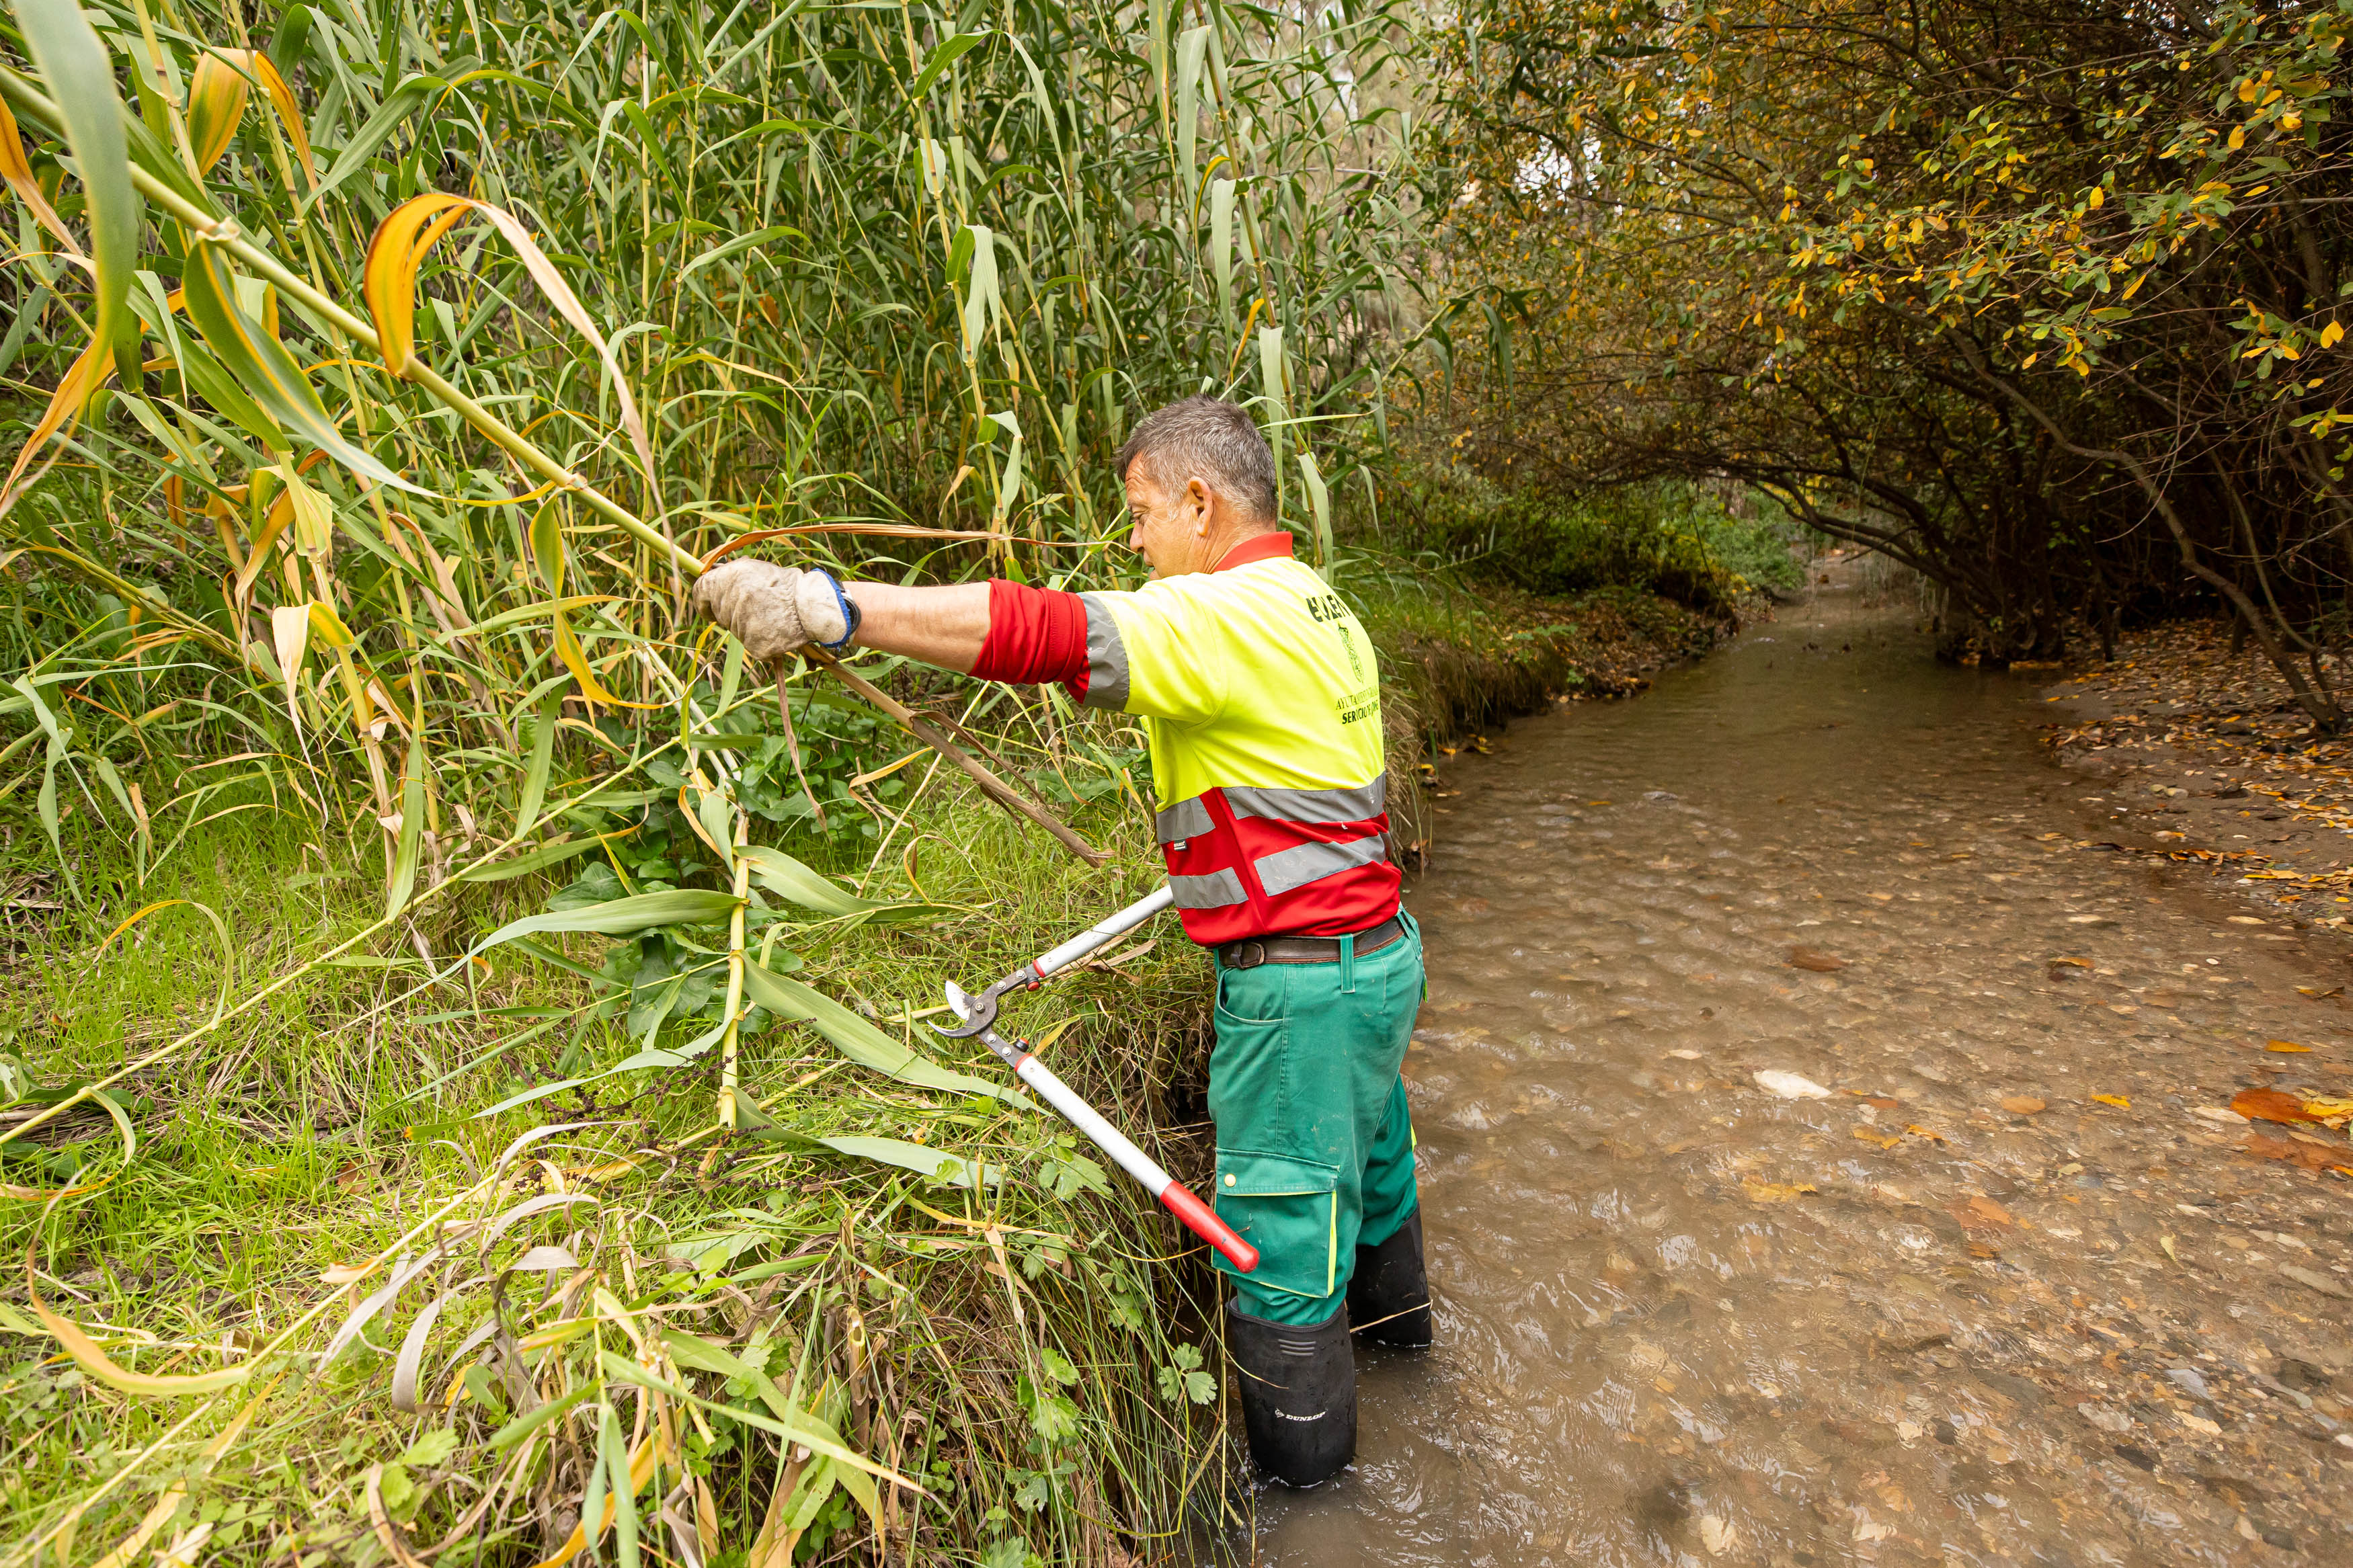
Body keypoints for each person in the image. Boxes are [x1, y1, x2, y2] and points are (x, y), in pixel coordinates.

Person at [692, 395, 1429, 1487]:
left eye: (1141, 515)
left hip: (1301, 1000)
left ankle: (1319, 1506)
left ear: (1199, 501)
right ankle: (1420, 1374)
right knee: (1375, 1183)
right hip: (1381, 961)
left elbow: (1044, 632)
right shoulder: (1323, 606)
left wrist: (823, 605)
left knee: (1280, 1261)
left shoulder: (1220, 613)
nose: (1133, 543)